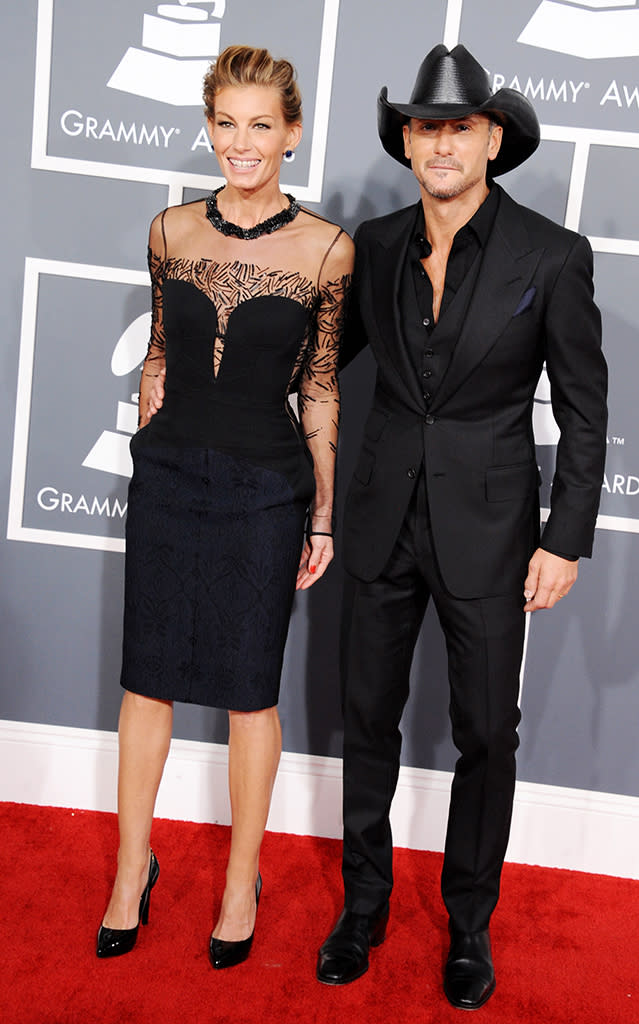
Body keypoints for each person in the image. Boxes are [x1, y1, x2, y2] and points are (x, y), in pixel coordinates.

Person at [316, 44, 607, 1010]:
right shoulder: (377, 244)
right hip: (379, 518)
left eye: (460, 126)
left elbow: (584, 409)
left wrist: (564, 536)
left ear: (493, 139)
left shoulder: (553, 256)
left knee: (487, 731)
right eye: (425, 126)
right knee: (366, 720)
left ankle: (470, 923)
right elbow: (319, 363)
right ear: (407, 140)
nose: (441, 143)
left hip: (490, 531)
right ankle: (362, 908)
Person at [96, 45, 353, 968]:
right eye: (225, 124)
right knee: (146, 678)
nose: (240, 144)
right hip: (170, 480)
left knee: (251, 692)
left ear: (290, 133)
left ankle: (241, 879)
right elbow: (162, 349)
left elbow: (320, 388)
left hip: (264, 489)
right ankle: (133, 869)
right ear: (209, 126)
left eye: (260, 126)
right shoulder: (169, 231)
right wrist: (150, 422)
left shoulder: (327, 248)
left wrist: (323, 514)